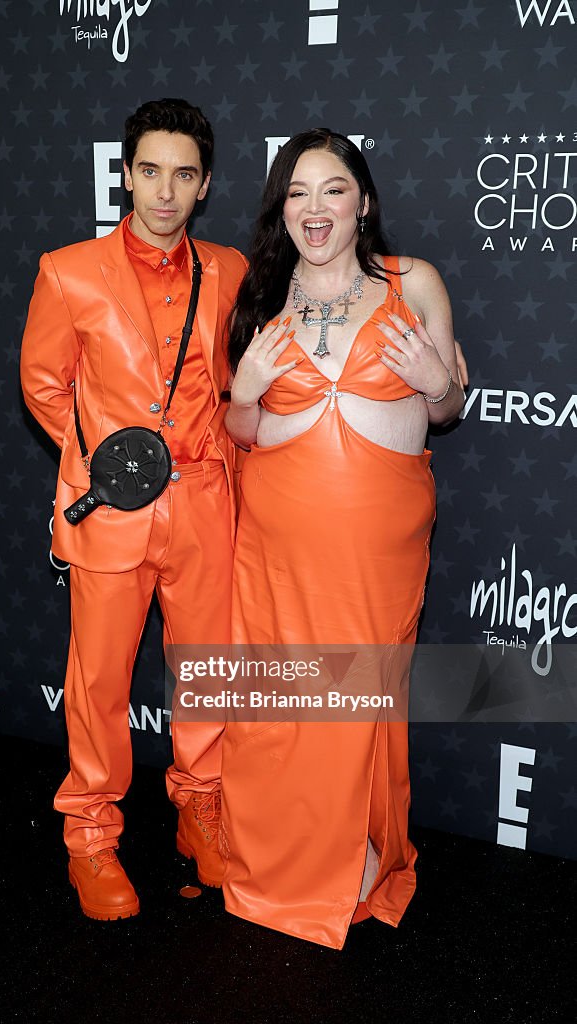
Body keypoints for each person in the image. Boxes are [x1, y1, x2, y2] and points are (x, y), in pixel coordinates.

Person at [220, 129, 465, 949]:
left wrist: (437, 382)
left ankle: (358, 850)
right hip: (278, 532)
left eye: (331, 189)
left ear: (362, 202)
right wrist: (243, 390)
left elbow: (446, 407)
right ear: (279, 208)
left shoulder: (411, 281)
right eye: (295, 191)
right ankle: (289, 864)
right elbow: (243, 432)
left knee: (359, 688)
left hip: (378, 535)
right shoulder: (262, 293)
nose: (313, 207)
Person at [20, 98, 247, 920]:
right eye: (149, 170)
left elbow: (242, 384)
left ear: (204, 184)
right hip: (112, 515)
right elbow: (43, 384)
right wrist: (106, 470)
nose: (164, 191)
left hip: (207, 509)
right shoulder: (67, 270)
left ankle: (200, 810)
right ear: (124, 174)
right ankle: (91, 837)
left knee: (208, 672)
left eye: (183, 174)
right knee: (99, 684)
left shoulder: (229, 271)